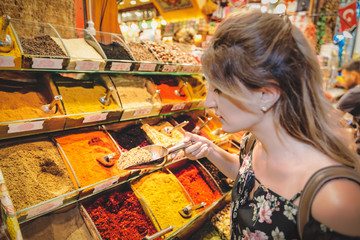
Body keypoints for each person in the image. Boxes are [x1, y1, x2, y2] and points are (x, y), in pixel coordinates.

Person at [183, 11, 360, 239]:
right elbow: (250, 180)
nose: (208, 102)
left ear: (266, 95)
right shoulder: (253, 140)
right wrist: (211, 150)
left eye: (219, 89)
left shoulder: (334, 197)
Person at [337, 60, 360, 155]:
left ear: (354, 76)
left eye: (344, 77)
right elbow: (350, 117)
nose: (343, 82)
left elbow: (336, 114)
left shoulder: (355, 92)